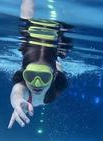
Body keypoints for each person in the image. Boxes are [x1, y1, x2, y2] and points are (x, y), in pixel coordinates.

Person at [8, 0, 71, 128]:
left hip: (54, 64)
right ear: (24, 75)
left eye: (44, 77)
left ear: (53, 76)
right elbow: (17, 93)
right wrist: (17, 102)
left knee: (26, 22)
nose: (37, 83)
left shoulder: (58, 79)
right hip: (53, 61)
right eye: (31, 76)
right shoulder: (24, 87)